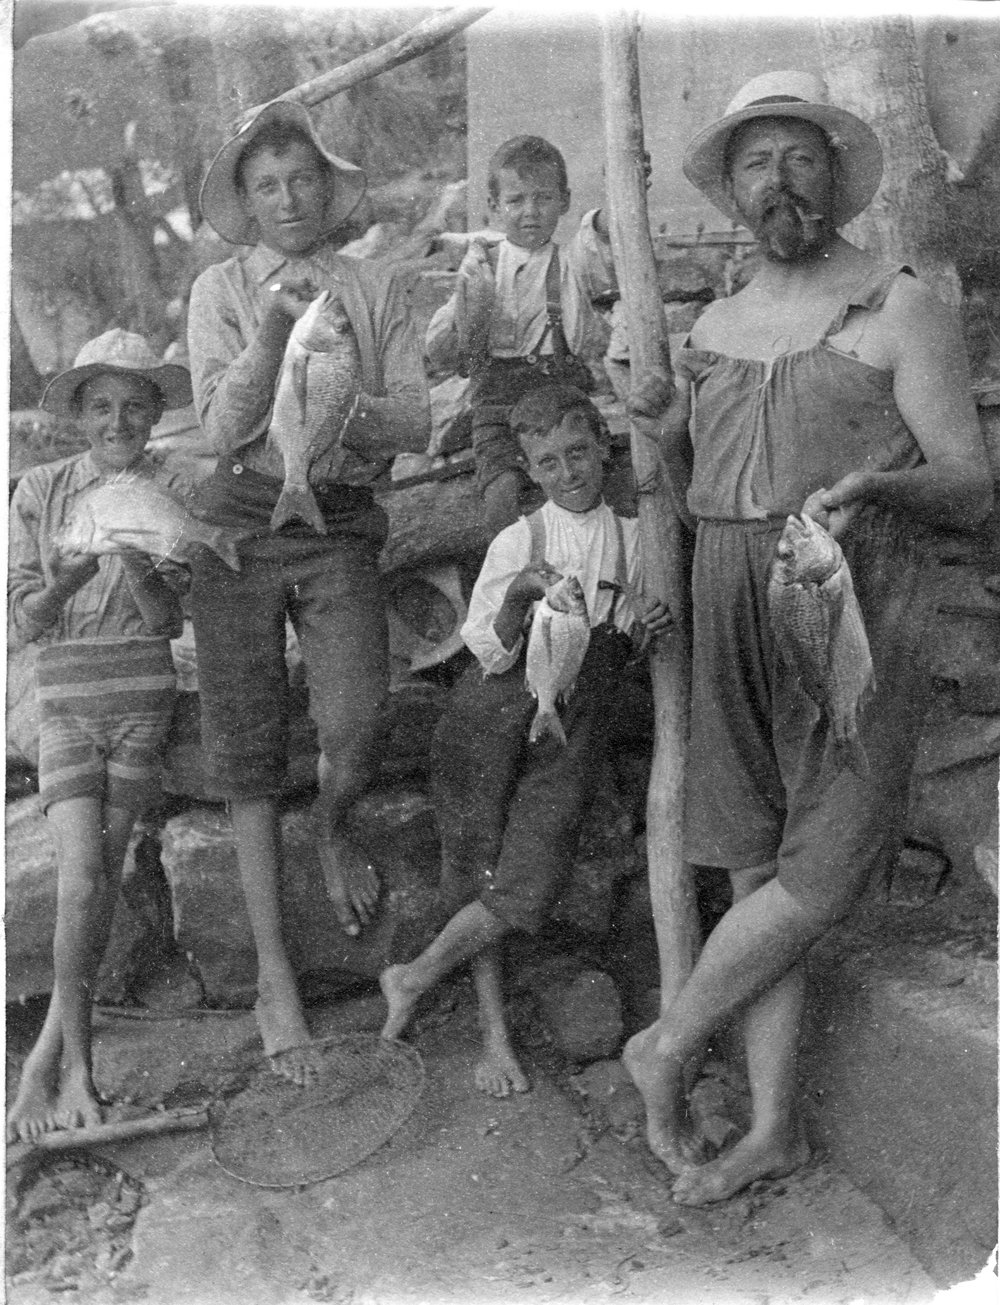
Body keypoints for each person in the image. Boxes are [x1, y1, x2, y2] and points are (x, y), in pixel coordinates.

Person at [622, 70, 993, 1206]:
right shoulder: (717, 324)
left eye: (798, 158)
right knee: (752, 865)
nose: (776, 183)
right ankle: (772, 1127)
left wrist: (879, 488)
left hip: (850, 596)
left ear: (834, 176)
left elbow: (974, 487)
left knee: (820, 875)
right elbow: (693, 478)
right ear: (731, 190)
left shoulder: (897, 307)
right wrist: (667, 433)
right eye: (753, 163)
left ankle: (668, 1039)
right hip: (725, 591)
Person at [186, 100, 431, 1083]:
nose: (288, 198)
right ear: (246, 202)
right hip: (237, 526)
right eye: (267, 184)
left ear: (330, 193)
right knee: (245, 749)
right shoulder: (217, 290)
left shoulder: (372, 287)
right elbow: (214, 428)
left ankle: (334, 830)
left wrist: (332, 393)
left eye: (303, 180)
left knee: (356, 719)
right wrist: (270, 344)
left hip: (334, 522)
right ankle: (274, 978)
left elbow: (413, 420)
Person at [380, 385, 671, 1096]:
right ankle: (494, 1036)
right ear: (532, 471)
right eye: (549, 461)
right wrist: (518, 596)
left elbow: (628, 644)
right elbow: (483, 646)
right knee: (475, 867)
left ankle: (411, 977)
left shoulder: (638, 537)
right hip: (490, 716)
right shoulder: (520, 538)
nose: (568, 472)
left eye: (578, 453)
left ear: (604, 447)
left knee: (527, 881)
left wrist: (645, 634)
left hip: (571, 728)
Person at [6, 331, 192, 1142]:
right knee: (82, 879)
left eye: (135, 406)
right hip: (68, 700)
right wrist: (64, 581)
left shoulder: (170, 487)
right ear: (80, 415)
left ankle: (51, 1058)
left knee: (103, 876)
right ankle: (75, 1064)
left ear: (154, 416)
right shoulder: (40, 489)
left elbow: (167, 621)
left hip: (144, 696)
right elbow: (24, 618)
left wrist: (145, 568)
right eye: (102, 406)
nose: (119, 420)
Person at [425, 135, 618, 538]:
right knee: (502, 496)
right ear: (494, 208)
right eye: (516, 201)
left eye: (544, 199)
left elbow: (598, 236)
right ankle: (514, 579)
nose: (530, 212)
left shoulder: (571, 262)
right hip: (498, 402)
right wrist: (467, 312)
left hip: (562, 394)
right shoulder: (482, 266)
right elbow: (441, 347)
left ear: (563, 201)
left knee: (597, 485)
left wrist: (613, 201)